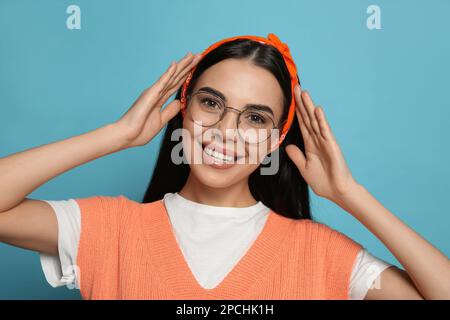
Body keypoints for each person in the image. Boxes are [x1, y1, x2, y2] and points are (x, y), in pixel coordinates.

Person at [0, 33, 449, 300]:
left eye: (255, 118)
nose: (225, 131)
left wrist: (350, 195)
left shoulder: (324, 254)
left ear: (275, 141)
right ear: (183, 109)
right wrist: (118, 135)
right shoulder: (108, 229)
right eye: (211, 103)